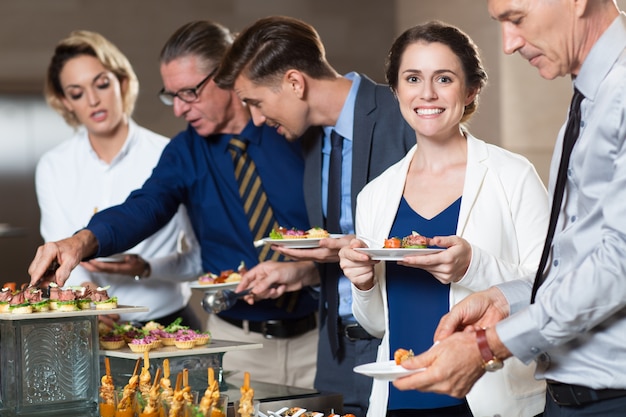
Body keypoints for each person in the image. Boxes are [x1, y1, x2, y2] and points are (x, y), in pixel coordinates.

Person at [28, 20, 319, 389]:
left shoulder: (291, 129)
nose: (179, 109)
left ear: (227, 75)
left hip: (322, 337)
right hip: (238, 342)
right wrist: (81, 241)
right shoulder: (184, 151)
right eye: (172, 96)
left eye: (189, 93)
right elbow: (146, 205)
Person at [388, 2, 626, 416]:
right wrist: (509, 299)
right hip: (570, 395)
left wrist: (488, 344)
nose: (509, 43)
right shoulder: (593, 96)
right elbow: (578, 259)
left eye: (516, 19)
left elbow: (618, 263)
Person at [337, 21, 549, 417]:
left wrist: (473, 265)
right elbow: (379, 325)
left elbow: (552, 290)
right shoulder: (376, 195)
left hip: (488, 398)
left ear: (471, 90)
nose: (427, 94)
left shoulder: (512, 175)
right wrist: (363, 283)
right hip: (400, 397)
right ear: (397, 91)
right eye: (413, 78)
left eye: (444, 78)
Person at [214, 16, 415, 416]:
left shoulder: (403, 115)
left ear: (294, 82)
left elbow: (437, 236)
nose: (256, 120)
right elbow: (340, 240)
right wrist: (302, 273)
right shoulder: (309, 141)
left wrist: (356, 249)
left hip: (400, 349)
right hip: (335, 354)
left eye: (255, 102)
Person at [37, 30, 202, 327]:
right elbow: (58, 248)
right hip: (90, 325)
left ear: (123, 83)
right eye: (76, 93)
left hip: (166, 324)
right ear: (65, 102)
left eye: (101, 84)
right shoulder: (53, 165)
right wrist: (84, 294)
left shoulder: (170, 154)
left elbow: (200, 260)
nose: (92, 100)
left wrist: (147, 268)